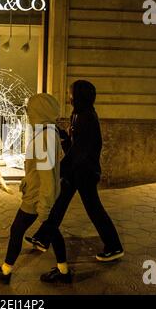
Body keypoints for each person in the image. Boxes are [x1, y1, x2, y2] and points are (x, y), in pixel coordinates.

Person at [25, 80, 124, 269]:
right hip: (76, 170)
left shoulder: (88, 117)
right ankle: (43, 238)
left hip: (85, 172)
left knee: (94, 209)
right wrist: (64, 138)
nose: (68, 97)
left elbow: (82, 151)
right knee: (59, 203)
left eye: (71, 94)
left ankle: (114, 246)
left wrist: (61, 167)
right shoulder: (77, 114)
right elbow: (74, 146)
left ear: (79, 96)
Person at [0, 93, 67, 284]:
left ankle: (5, 272)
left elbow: (47, 177)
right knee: (52, 230)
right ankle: (63, 270)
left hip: (37, 197)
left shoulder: (44, 137)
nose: (28, 113)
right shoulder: (50, 132)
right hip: (40, 193)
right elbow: (46, 168)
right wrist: (28, 180)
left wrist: (44, 205)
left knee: (17, 230)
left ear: (40, 111)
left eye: (31, 109)